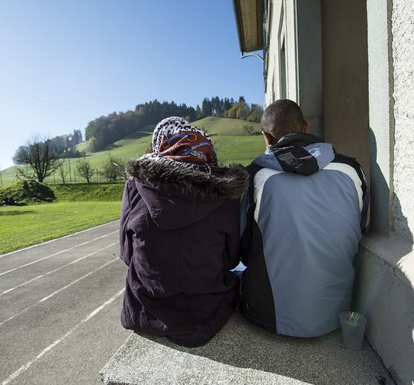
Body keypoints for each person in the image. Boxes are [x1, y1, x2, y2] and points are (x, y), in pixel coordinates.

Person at [239, 99, 369, 338]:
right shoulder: (352, 170)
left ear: (267, 137)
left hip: (267, 316)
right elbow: (359, 230)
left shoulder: (255, 176)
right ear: (305, 127)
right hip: (337, 314)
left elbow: (243, 247)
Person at [119, 116, 249, 347]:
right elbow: (230, 259)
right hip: (209, 309)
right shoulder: (226, 193)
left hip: (146, 309)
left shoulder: (135, 186)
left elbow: (127, 255)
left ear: (161, 145)